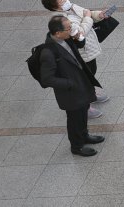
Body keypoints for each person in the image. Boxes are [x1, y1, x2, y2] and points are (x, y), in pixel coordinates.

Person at [38, 15, 103, 156]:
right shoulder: (48, 52)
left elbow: (79, 47)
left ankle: (84, 135)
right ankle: (77, 146)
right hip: (70, 92)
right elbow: (47, 79)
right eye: (69, 28)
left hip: (81, 82)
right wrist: (69, 83)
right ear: (57, 33)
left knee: (83, 111)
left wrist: (79, 38)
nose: (71, 29)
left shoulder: (66, 38)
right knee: (74, 119)